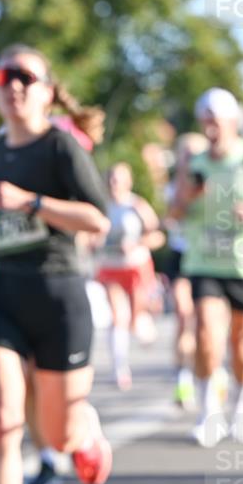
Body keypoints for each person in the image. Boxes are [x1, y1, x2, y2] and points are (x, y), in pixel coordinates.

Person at [0, 44, 111, 484]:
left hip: (60, 296)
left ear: (48, 91)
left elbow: (96, 219)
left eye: (27, 77)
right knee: (3, 417)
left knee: (53, 434)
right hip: (5, 293)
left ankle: (84, 431)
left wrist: (28, 201)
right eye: (5, 76)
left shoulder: (61, 146)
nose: (14, 85)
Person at [173, 88, 243, 447]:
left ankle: (241, 408)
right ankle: (209, 411)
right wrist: (188, 196)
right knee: (207, 331)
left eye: (215, 120)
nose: (209, 127)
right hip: (204, 261)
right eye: (204, 119)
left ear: (233, 121)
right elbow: (173, 213)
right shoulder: (193, 161)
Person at [95, 161, 164, 390]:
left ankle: (143, 324)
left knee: (135, 319)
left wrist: (137, 244)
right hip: (110, 266)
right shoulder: (102, 206)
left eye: (119, 179)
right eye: (112, 179)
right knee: (117, 316)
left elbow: (158, 235)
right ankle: (120, 368)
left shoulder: (137, 205)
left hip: (135, 266)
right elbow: (89, 235)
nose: (114, 184)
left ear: (128, 182)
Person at [164, 132, 208, 409]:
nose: (191, 159)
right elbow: (170, 217)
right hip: (181, 255)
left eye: (195, 154)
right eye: (186, 154)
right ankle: (182, 378)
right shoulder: (173, 188)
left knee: (205, 324)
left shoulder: (215, 185)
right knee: (183, 316)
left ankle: (211, 373)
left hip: (207, 258)